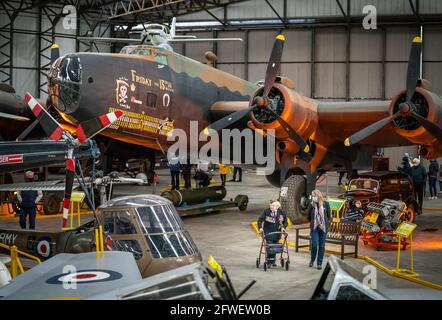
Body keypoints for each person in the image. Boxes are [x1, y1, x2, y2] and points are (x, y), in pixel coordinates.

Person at [306, 189, 331, 270]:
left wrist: (326, 225)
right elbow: (308, 217)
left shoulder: (325, 204)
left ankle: (319, 263)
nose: (313, 197)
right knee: (314, 245)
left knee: (322, 246)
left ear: (318, 196)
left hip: (323, 228)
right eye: (312, 196)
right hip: (315, 228)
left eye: (314, 196)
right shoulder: (311, 205)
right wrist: (315, 222)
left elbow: (329, 216)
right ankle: (312, 260)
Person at [258, 200, 287, 267]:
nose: (271, 207)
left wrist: (283, 227)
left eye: (273, 205)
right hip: (268, 233)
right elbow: (260, 220)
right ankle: (268, 261)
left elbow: (285, 221)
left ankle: (273, 261)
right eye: (270, 205)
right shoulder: (266, 211)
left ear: (277, 207)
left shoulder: (281, 212)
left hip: (277, 233)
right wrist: (260, 228)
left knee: (274, 246)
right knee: (269, 246)